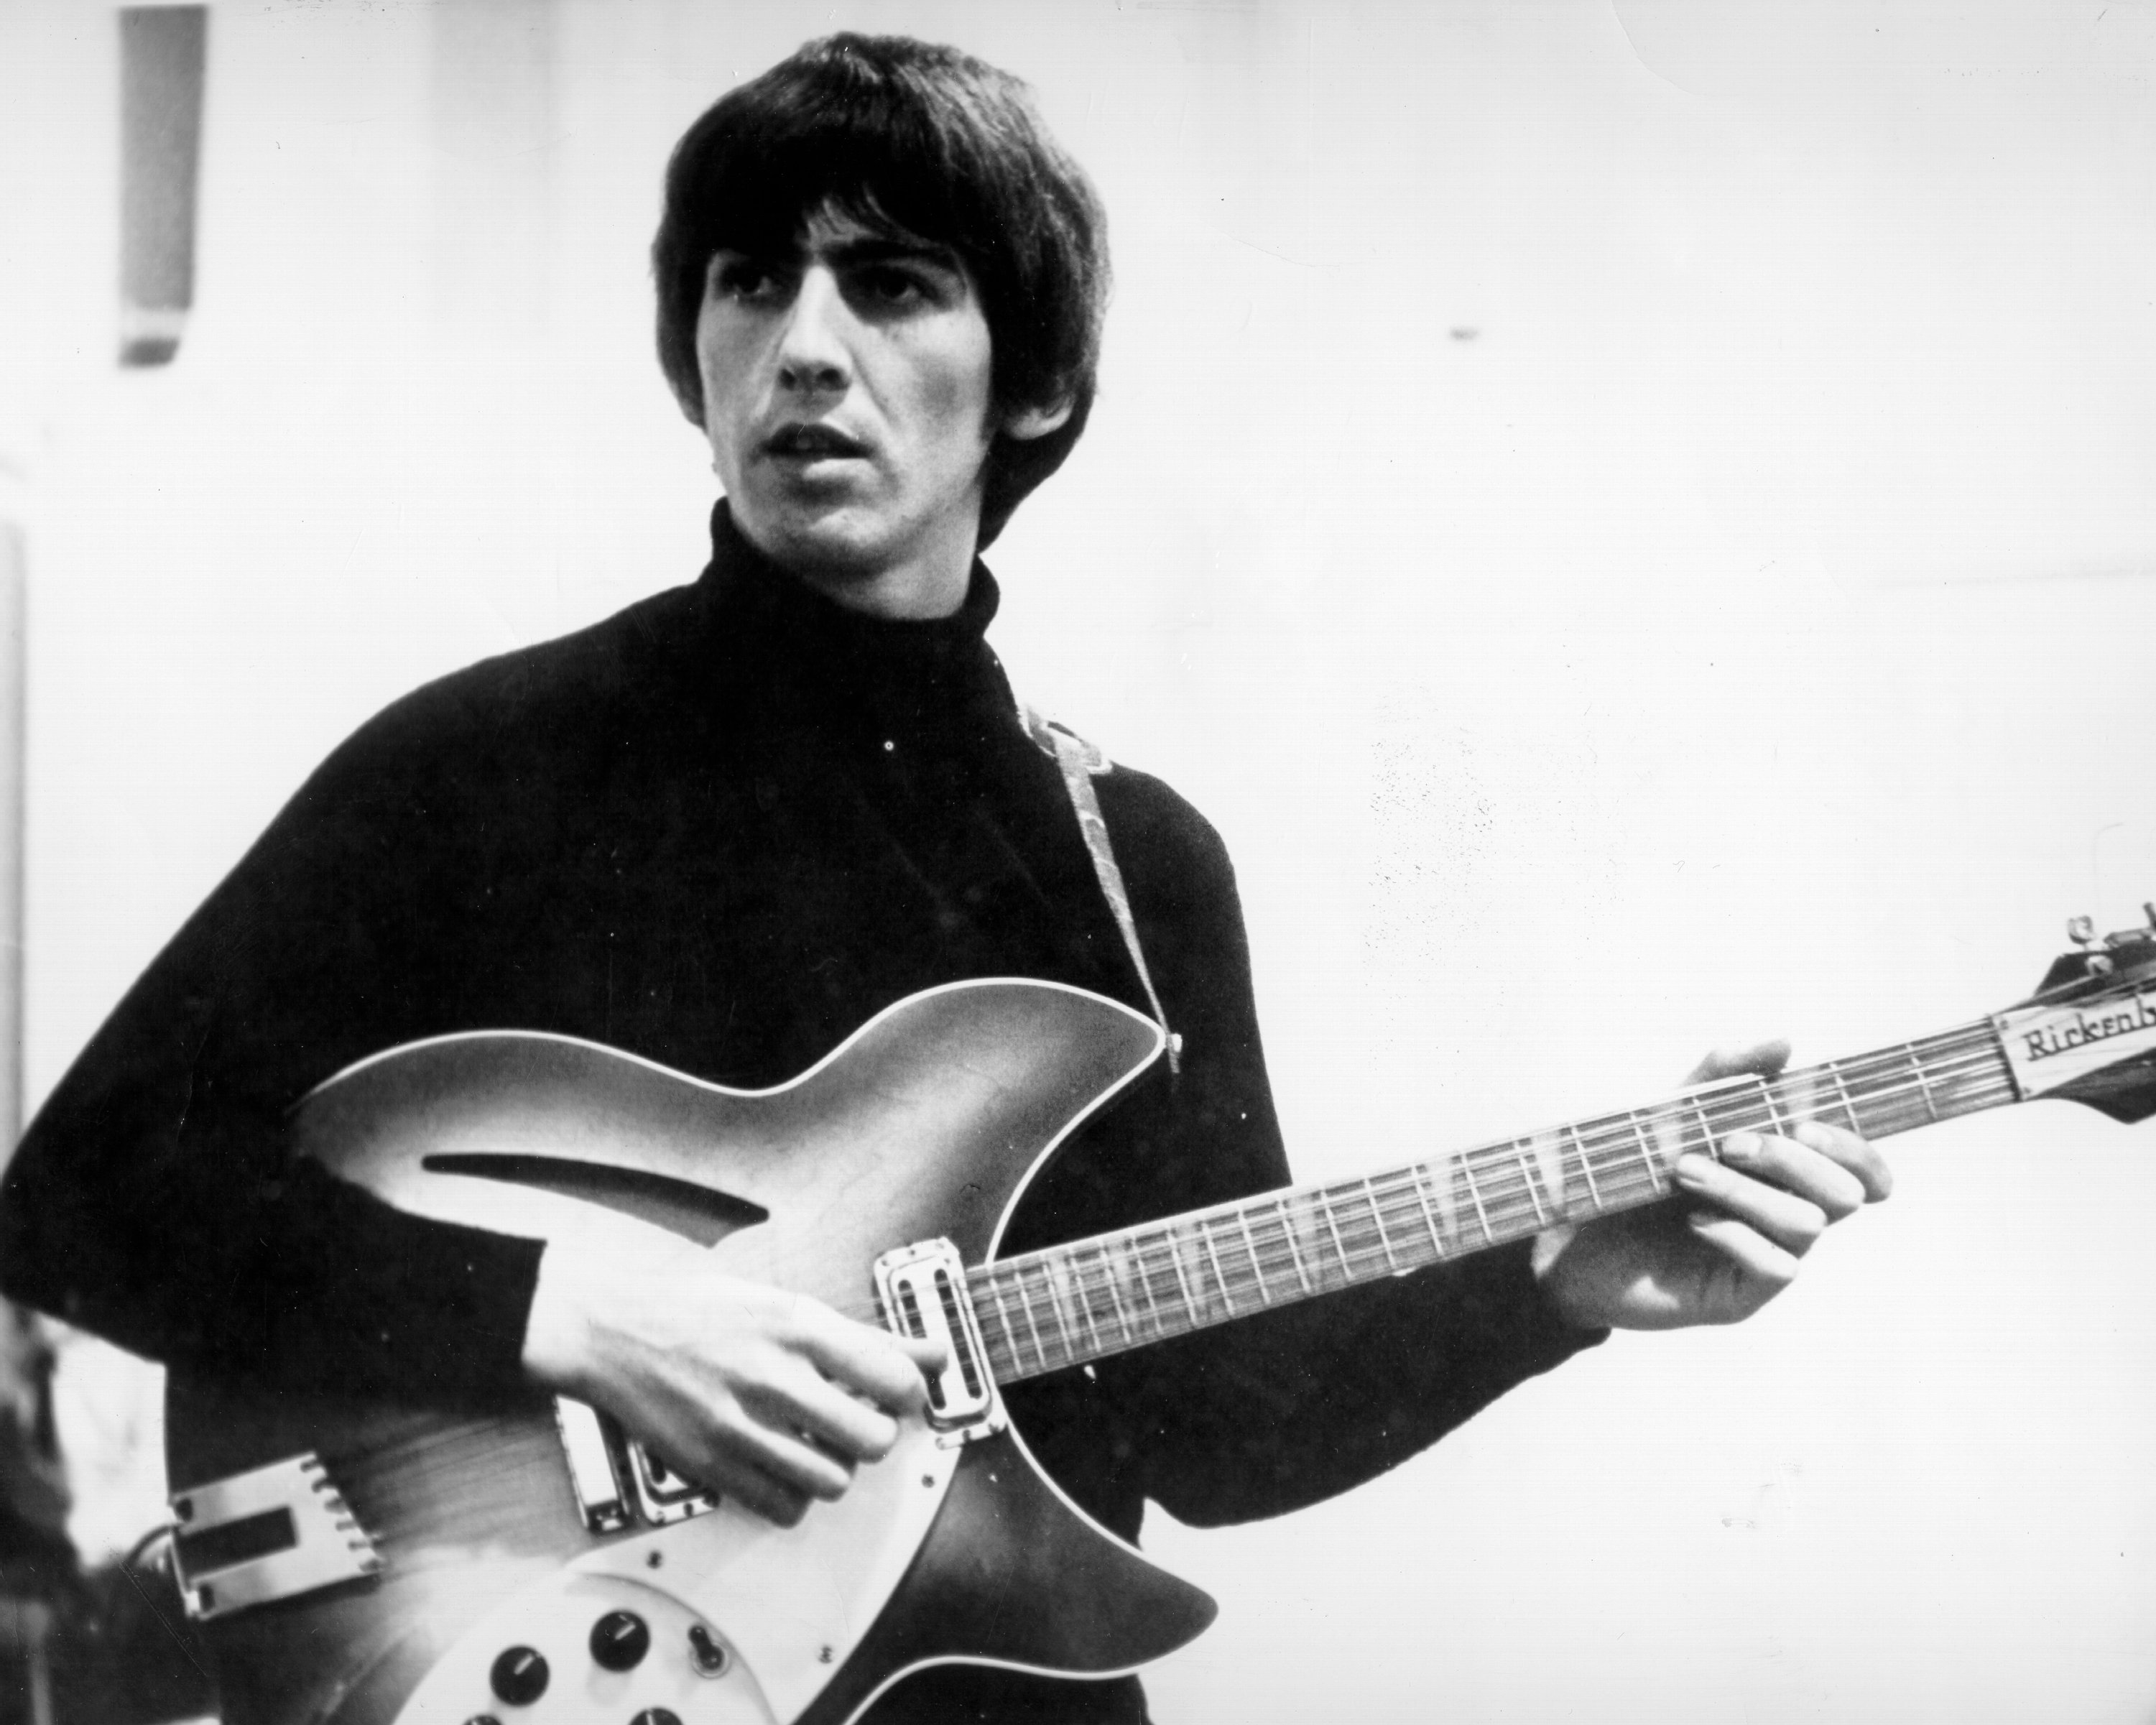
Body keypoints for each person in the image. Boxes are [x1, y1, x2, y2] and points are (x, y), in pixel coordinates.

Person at [0, 33, 1889, 1724]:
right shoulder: (485, 761)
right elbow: (82, 1196)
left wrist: (1549, 1284)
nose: (804, 343)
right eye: (753, 284)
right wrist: (564, 1315)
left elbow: (1218, 1423)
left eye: (891, 285)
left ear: (1034, 386)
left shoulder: (1129, 859)